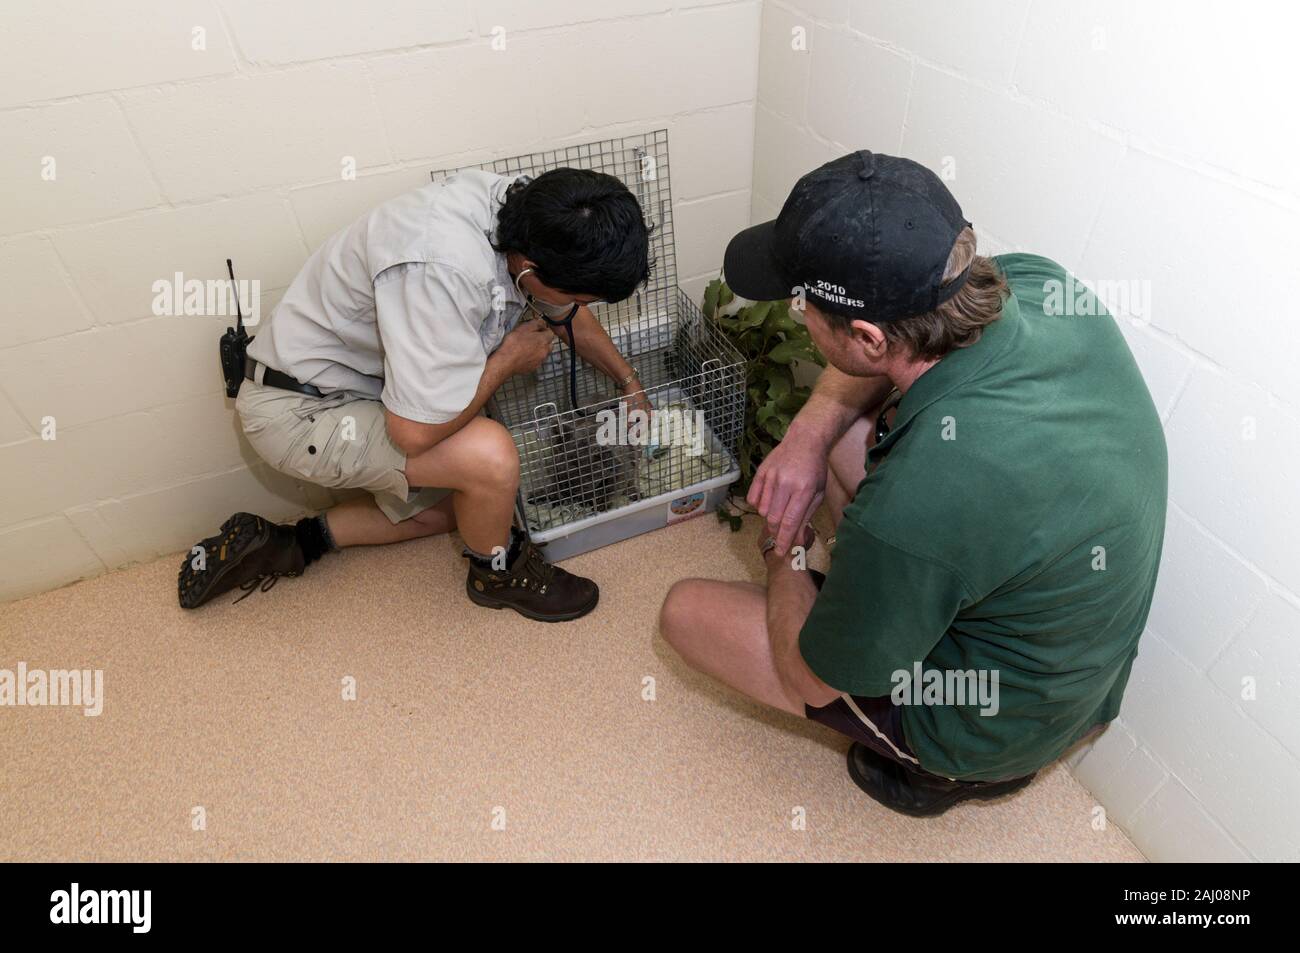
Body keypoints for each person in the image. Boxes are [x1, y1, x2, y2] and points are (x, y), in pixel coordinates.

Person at [659, 151, 1167, 816]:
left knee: (684, 613)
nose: (796, 313)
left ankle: (948, 774)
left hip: (994, 721)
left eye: (801, 302)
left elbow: (810, 680)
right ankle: (878, 604)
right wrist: (808, 437)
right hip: (1074, 668)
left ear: (868, 337)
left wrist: (783, 548)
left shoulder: (918, 497)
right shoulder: (1039, 284)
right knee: (843, 432)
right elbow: (890, 363)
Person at [179, 168, 651, 622]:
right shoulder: (440, 268)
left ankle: (289, 544)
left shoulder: (533, 214)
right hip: (300, 413)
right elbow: (413, 433)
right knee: (491, 460)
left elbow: (563, 305)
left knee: (476, 508)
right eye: (582, 299)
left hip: (351, 384)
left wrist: (629, 383)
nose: (578, 310)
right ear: (529, 269)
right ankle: (496, 576)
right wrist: (506, 361)